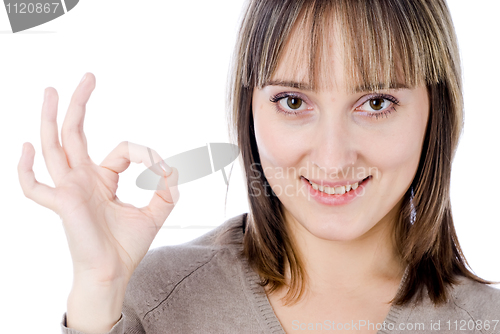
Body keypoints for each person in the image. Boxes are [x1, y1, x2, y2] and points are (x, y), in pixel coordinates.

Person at [17, 0, 500, 333]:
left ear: (436, 112)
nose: (333, 158)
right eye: (293, 101)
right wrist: (98, 295)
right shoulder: (157, 300)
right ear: (249, 109)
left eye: (375, 103)